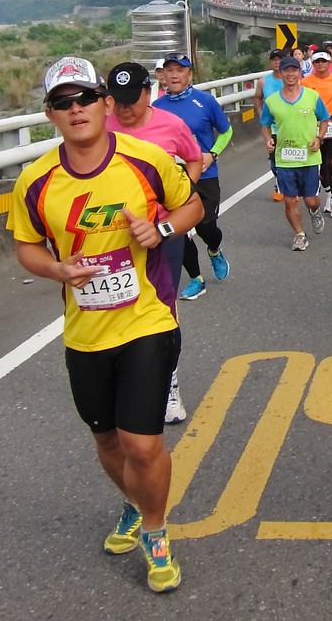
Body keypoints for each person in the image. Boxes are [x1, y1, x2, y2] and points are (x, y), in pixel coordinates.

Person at [7, 57, 205, 593]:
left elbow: (193, 206)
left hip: (146, 319)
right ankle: (134, 504)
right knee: (108, 441)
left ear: (104, 103)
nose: (76, 109)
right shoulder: (36, 181)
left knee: (141, 444)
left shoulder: (146, 160)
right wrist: (56, 269)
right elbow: (26, 245)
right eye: (62, 102)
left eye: (85, 98)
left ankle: (155, 531)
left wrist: (162, 229)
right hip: (85, 332)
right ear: (50, 114)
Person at [104, 61, 205, 424]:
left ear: (148, 93)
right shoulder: (101, 126)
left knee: (162, 309)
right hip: (110, 236)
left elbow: (194, 158)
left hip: (162, 234)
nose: (123, 108)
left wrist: (180, 202)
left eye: (131, 100)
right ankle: (119, 376)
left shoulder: (170, 124)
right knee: (114, 305)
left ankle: (168, 383)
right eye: (116, 100)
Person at [153, 52, 234, 295]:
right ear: (163, 75)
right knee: (179, 231)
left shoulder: (205, 101)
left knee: (206, 228)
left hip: (206, 174)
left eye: (180, 70)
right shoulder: (156, 108)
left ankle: (214, 250)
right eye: (169, 70)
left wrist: (213, 154)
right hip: (174, 179)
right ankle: (196, 279)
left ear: (190, 74)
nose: (174, 75)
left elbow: (226, 131)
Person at [260, 55, 330, 251]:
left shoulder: (312, 96)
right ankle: (300, 235)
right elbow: (265, 125)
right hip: (284, 159)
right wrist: (268, 139)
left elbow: (325, 119)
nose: (290, 74)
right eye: (286, 70)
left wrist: (319, 138)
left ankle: (315, 211)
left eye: (294, 70)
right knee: (289, 200)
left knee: (310, 200)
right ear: (280, 73)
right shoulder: (272, 101)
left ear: (300, 72)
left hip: (309, 157)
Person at [303, 49, 332, 217]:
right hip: (314, 128)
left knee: (330, 163)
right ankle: (329, 194)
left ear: (330, 62)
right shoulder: (306, 82)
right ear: (313, 63)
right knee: (321, 166)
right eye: (317, 61)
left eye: (324, 61)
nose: (321, 64)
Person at [253, 48, 287, 201]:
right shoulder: (264, 81)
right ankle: (279, 183)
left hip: (290, 126)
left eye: (280, 59)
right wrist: (261, 113)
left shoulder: (292, 78)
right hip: (272, 127)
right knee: (274, 160)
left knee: (290, 158)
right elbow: (257, 98)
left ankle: (290, 186)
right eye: (274, 59)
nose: (277, 62)